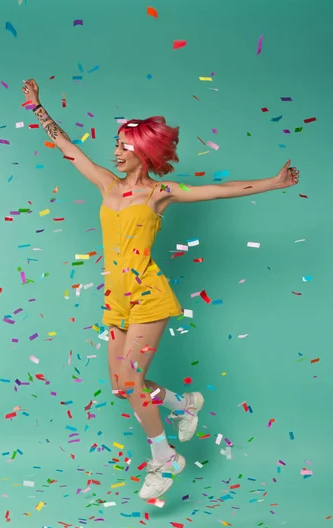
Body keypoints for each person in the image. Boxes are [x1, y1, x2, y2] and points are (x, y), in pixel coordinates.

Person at [21, 79, 300, 501]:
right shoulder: (107, 185)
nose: (115, 152)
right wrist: (37, 107)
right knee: (122, 384)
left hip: (148, 296)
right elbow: (70, 149)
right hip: (115, 298)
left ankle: (164, 458)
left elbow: (217, 190)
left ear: (143, 152)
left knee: (132, 381)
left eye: (123, 146)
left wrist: (273, 183)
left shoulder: (157, 194)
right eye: (116, 144)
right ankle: (183, 404)